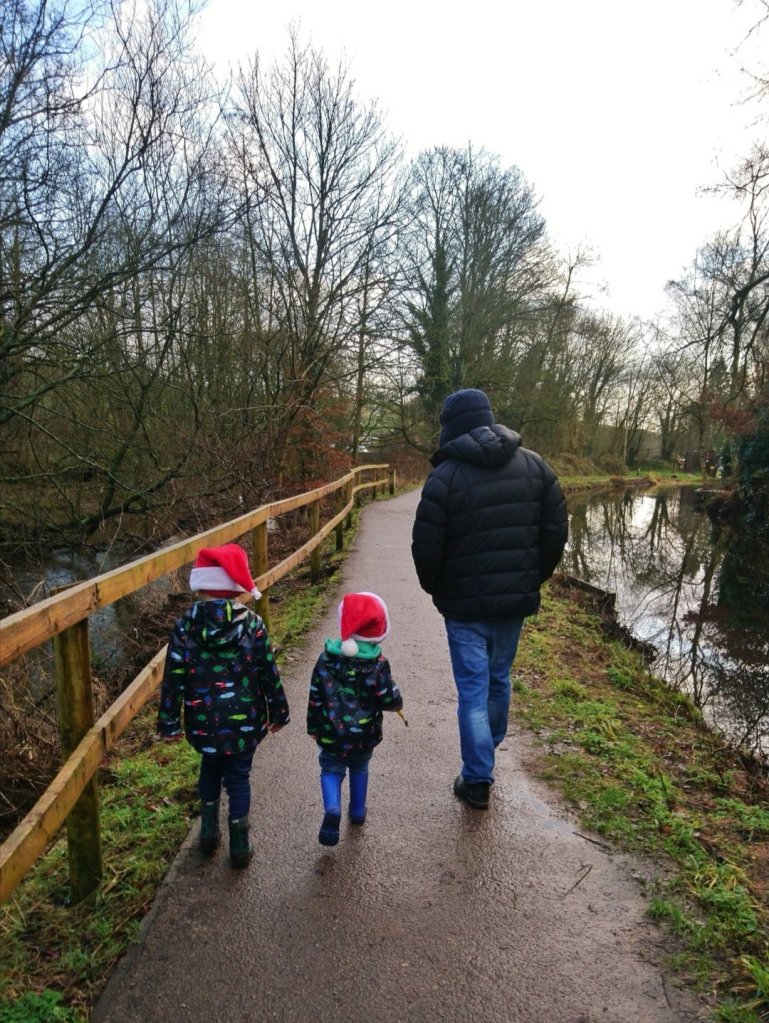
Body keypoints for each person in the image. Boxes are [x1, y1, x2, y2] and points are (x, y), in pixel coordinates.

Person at [411, 388, 567, 810]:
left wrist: (437, 589)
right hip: (512, 604)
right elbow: (556, 530)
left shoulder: (445, 477)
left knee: (473, 691)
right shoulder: (535, 466)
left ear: (451, 428)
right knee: (498, 678)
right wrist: (532, 577)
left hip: (463, 609)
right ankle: (488, 745)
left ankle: (478, 777)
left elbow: (426, 546)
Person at [157, 543, 290, 867]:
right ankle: (240, 846)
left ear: (200, 585)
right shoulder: (253, 624)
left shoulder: (185, 626)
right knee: (239, 778)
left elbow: (173, 676)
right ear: (234, 587)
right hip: (244, 722)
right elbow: (267, 672)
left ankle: (208, 833)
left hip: (203, 720)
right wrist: (278, 712)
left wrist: (169, 723)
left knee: (210, 767)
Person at [307, 591, 403, 847]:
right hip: (365, 733)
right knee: (360, 767)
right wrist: (397, 702)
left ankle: (332, 807)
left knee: (331, 769)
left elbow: (315, 695)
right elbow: (388, 698)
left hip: (331, 730)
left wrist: (313, 726)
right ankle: (358, 811)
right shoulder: (378, 664)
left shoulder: (326, 658)